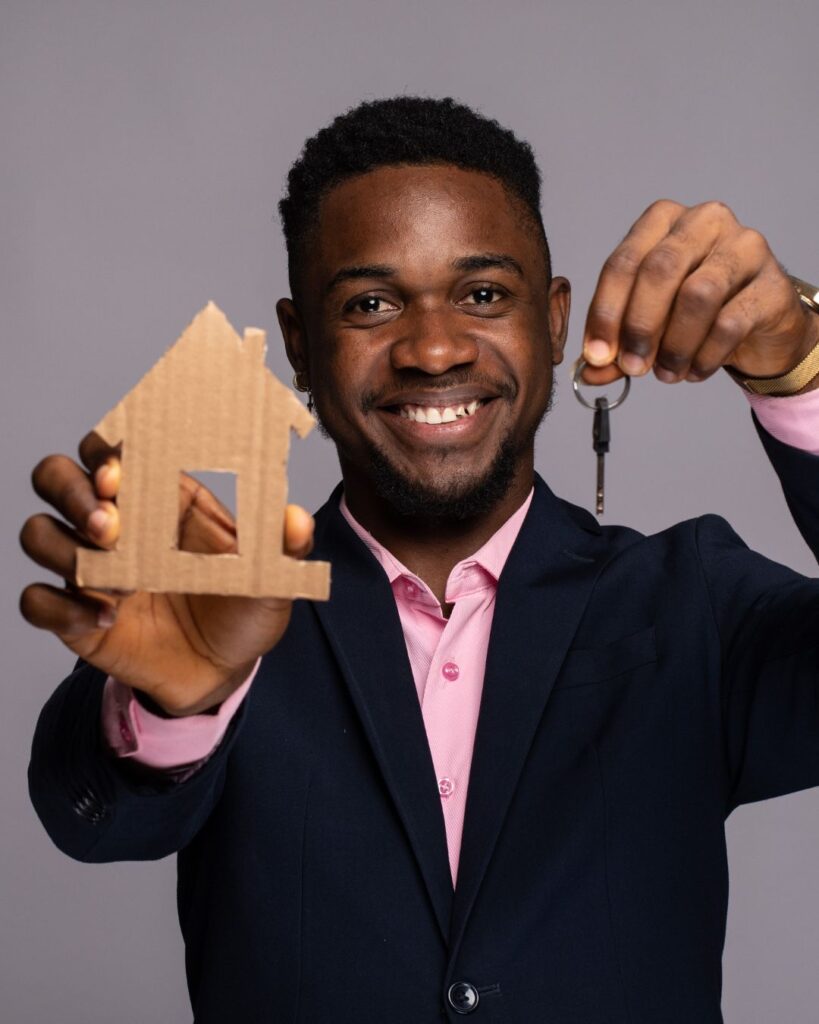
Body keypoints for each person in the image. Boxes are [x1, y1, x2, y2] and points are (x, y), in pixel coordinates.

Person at [22, 97, 819, 1022]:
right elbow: (96, 821)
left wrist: (800, 365)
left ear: (554, 322)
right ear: (299, 347)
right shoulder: (224, 611)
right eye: (370, 304)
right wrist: (177, 710)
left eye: (483, 295)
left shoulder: (690, 603)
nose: (434, 350)